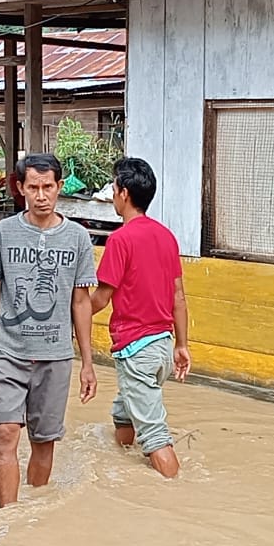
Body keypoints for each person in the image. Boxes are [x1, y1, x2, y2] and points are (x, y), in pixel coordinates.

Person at [0, 153, 98, 508]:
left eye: (48, 187)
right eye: (33, 187)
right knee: (6, 433)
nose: (41, 196)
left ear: (59, 188)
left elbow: (81, 303)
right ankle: (8, 515)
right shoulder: (2, 234)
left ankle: (35, 515)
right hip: (8, 351)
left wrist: (87, 362)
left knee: (43, 441)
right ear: (20, 188)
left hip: (56, 355)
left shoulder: (78, 239)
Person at [90, 157, 190, 478]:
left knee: (156, 435)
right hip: (162, 347)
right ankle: (123, 466)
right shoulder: (166, 237)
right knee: (124, 409)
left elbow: (101, 298)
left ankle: (177, 494)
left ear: (124, 193)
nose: (114, 193)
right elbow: (178, 297)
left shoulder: (120, 239)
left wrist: (69, 314)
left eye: (115, 187)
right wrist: (182, 346)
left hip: (136, 349)